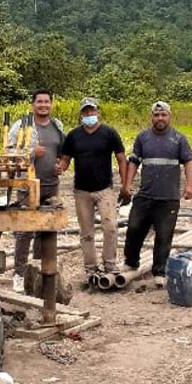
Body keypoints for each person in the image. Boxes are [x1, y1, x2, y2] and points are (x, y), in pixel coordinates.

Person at [122, 100, 192, 283]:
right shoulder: (143, 137)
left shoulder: (179, 139)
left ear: (169, 116)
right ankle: (131, 262)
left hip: (168, 197)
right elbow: (134, 161)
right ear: (151, 117)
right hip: (145, 196)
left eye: (163, 115)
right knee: (134, 229)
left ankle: (159, 272)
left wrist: (189, 186)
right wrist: (127, 184)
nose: (160, 118)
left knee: (163, 236)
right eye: (156, 115)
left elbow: (188, 162)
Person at [59, 97, 128, 279]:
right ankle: (90, 267)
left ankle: (110, 264)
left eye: (92, 111)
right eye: (86, 111)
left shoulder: (109, 133)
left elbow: (121, 158)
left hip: (104, 189)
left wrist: (125, 184)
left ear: (98, 112)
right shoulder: (73, 135)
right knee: (86, 232)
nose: (89, 114)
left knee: (110, 227)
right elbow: (65, 160)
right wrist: (58, 167)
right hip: (82, 191)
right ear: (81, 114)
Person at [7, 89, 65, 278]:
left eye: (47, 102)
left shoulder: (57, 125)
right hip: (28, 185)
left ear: (51, 104)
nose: (43, 105)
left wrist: (61, 165)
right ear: (33, 104)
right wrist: (31, 154)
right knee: (25, 231)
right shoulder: (21, 125)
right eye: (39, 102)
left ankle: (41, 269)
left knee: (46, 228)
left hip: (51, 185)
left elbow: (62, 154)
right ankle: (19, 273)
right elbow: (8, 154)